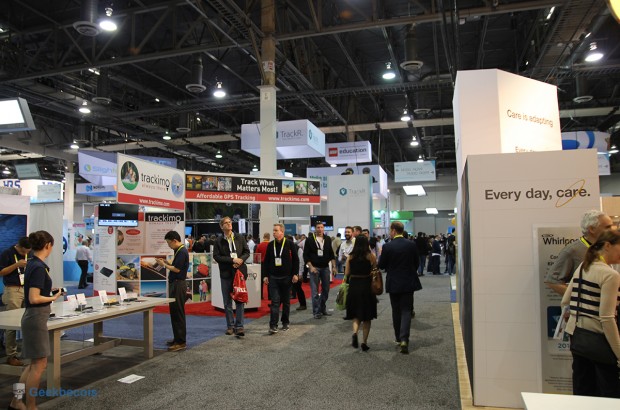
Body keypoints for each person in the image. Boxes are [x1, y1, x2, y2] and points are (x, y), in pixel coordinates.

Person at [560, 229, 620, 398]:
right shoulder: (610, 274)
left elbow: (565, 301)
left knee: (583, 391)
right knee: (610, 395)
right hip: (601, 341)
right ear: (607, 246)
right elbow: (607, 319)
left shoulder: (583, 267)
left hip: (578, 338)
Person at [8, 231, 64, 410]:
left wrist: (48, 292)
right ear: (48, 245)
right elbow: (34, 298)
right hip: (36, 318)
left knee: (33, 364)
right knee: (39, 365)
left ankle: (16, 401)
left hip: (33, 318)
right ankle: (30, 406)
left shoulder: (32, 263)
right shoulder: (39, 267)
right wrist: (53, 298)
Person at [545, 210, 614, 296]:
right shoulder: (573, 250)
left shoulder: (607, 247)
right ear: (592, 229)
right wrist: (580, 298)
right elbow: (552, 281)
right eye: (607, 227)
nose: (612, 230)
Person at [378, 221, 421, 354]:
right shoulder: (411, 244)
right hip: (408, 282)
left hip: (393, 283)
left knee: (396, 311)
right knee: (406, 310)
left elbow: (382, 265)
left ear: (393, 230)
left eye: (390, 230)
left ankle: (398, 337)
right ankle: (404, 339)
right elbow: (417, 263)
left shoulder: (387, 246)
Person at [213, 216, 250, 336]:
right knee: (227, 301)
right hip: (226, 274)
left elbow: (247, 252)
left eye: (230, 222)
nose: (229, 224)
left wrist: (240, 260)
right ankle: (230, 326)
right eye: (226, 223)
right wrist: (232, 260)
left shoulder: (240, 237)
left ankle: (239, 326)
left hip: (239, 273)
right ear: (221, 226)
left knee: (240, 300)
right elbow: (216, 257)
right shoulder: (218, 241)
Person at [155, 230, 190, 352]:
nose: (168, 245)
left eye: (169, 243)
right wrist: (166, 262)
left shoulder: (182, 251)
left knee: (178, 313)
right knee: (174, 312)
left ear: (175, 241)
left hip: (178, 284)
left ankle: (181, 342)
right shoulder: (179, 251)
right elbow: (176, 266)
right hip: (176, 284)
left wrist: (164, 265)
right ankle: (177, 338)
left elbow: (177, 269)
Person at [0, 237, 32, 366]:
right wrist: (16, 265)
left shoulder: (29, 253)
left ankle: (27, 351)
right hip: (13, 290)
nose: (27, 253)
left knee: (28, 321)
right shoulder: (7, 253)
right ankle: (11, 355)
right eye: (25, 251)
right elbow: (1, 272)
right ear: (20, 247)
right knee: (11, 324)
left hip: (27, 289)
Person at [262, 225, 299, 334]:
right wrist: (265, 275)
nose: (273, 232)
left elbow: (296, 260)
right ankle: (273, 325)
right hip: (273, 278)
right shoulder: (270, 245)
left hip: (287, 277)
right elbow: (266, 261)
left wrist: (295, 274)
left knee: (286, 302)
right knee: (275, 302)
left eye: (276, 230)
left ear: (282, 232)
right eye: (273, 230)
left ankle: (285, 322)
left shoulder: (290, 244)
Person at [344, 235, 377, 352]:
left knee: (356, 315)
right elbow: (375, 271)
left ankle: (354, 333)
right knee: (367, 317)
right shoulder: (371, 256)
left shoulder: (350, 256)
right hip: (366, 287)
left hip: (354, 286)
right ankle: (364, 342)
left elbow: (347, 273)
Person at [303, 222, 337, 319]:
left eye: (322, 227)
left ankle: (322, 307)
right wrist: (311, 267)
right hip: (314, 267)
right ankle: (316, 312)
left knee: (326, 290)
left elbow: (331, 254)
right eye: (318, 227)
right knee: (315, 291)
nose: (320, 229)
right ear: (315, 229)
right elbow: (306, 255)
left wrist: (334, 266)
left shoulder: (327, 239)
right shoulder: (309, 240)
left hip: (325, 267)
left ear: (324, 228)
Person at [291, 237, 307, 310]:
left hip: (297, 272)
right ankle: (276, 304)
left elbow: (301, 262)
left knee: (298, 288)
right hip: (289, 271)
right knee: (283, 288)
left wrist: (300, 273)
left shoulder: (298, 249)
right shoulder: (287, 248)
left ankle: (303, 304)